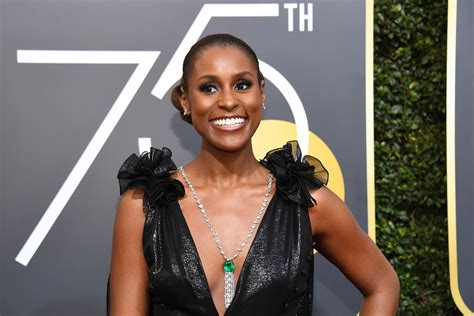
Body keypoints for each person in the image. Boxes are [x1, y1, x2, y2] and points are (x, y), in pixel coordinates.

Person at [109, 33, 400, 315]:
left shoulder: (307, 203)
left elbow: (382, 284)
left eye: (242, 85)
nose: (228, 101)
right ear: (185, 100)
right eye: (209, 88)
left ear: (261, 94)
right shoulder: (143, 207)